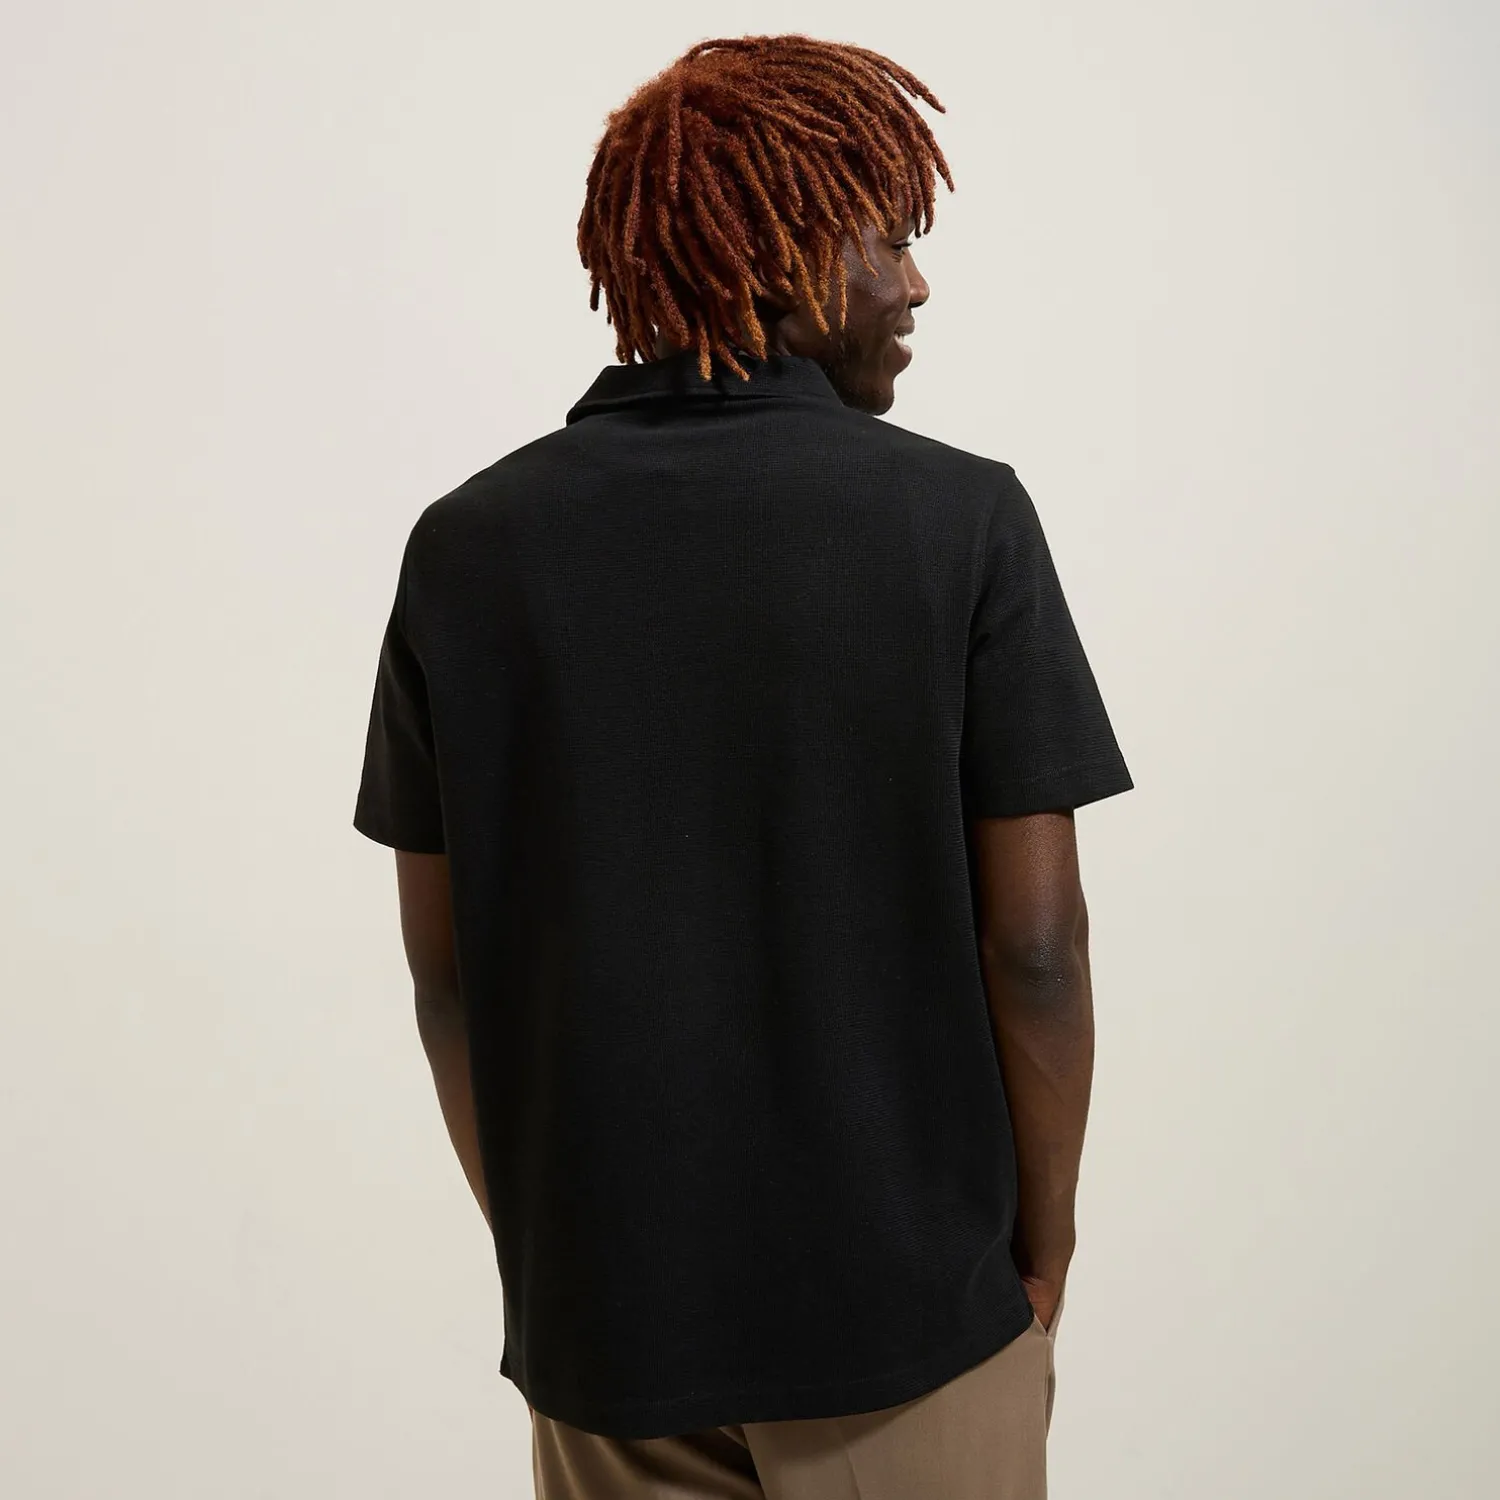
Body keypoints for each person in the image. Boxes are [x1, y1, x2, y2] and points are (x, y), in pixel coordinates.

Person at [353, 31, 1134, 1500]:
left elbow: (448, 978)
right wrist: (1044, 1247)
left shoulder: (465, 549)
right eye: (888, 236)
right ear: (780, 252)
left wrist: (556, 1256)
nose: (916, 284)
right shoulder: (960, 521)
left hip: (611, 1347)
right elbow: (1037, 946)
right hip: (911, 1329)